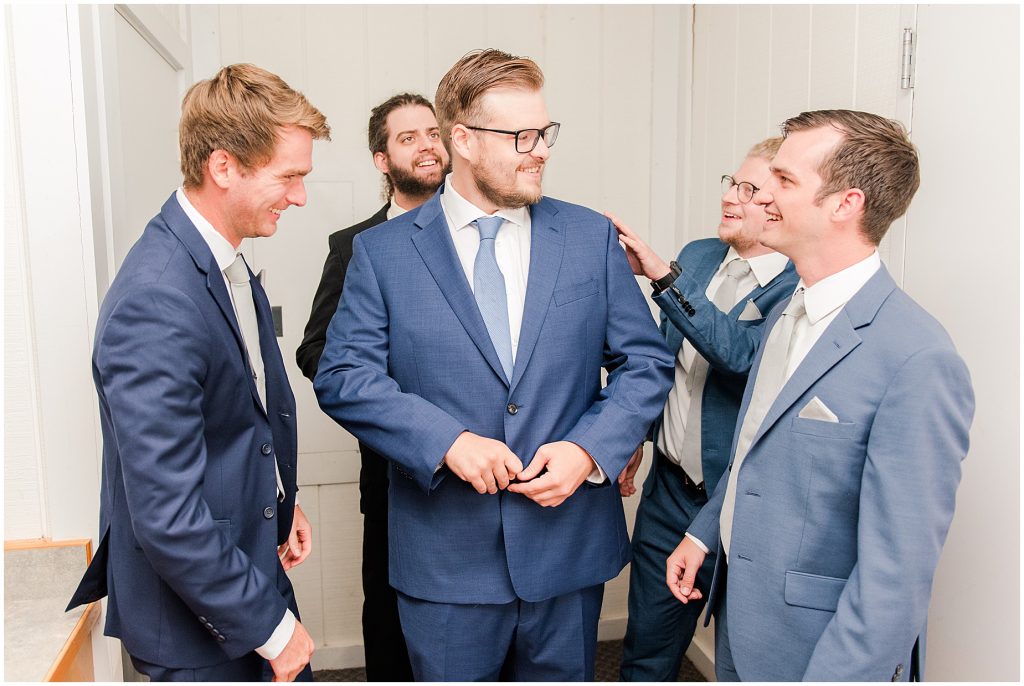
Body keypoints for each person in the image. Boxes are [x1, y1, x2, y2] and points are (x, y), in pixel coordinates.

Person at [313, 49, 673, 681]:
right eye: (521, 137)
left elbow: (645, 362)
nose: (540, 151)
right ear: (464, 141)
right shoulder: (382, 253)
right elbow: (344, 376)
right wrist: (445, 441)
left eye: (545, 133)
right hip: (444, 560)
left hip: (567, 553)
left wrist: (590, 451)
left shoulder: (589, 237)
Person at [666, 110, 975, 681]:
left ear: (844, 204)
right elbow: (756, 453)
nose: (759, 196)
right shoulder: (787, 309)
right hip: (742, 621)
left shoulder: (917, 358)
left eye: (783, 182)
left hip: (818, 652)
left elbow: (895, 579)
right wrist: (704, 531)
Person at [66, 63, 331, 682]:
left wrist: (276, 500)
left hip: (246, 573)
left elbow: (237, 417)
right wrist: (272, 629)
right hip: (197, 629)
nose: (300, 196)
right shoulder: (157, 299)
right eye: (288, 176)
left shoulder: (223, 261)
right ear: (223, 166)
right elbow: (166, 516)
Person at [608, 137, 799, 681]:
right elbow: (661, 357)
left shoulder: (797, 286)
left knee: (748, 659)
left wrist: (663, 278)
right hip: (670, 493)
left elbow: (739, 356)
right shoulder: (698, 255)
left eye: (749, 189)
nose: (730, 199)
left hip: (742, 502)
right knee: (647, 648)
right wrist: (635, 442)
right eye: (731, 184)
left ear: (781, 204)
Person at [295, 92, 448, 682]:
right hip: (389, 471)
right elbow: (316, 350)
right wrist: (392, 402)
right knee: (389, 615)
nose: (426, 145)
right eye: (408, 137)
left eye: (432, 132)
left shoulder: (483, 237)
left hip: (488, 468)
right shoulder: (354, 245)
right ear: (381, 160)